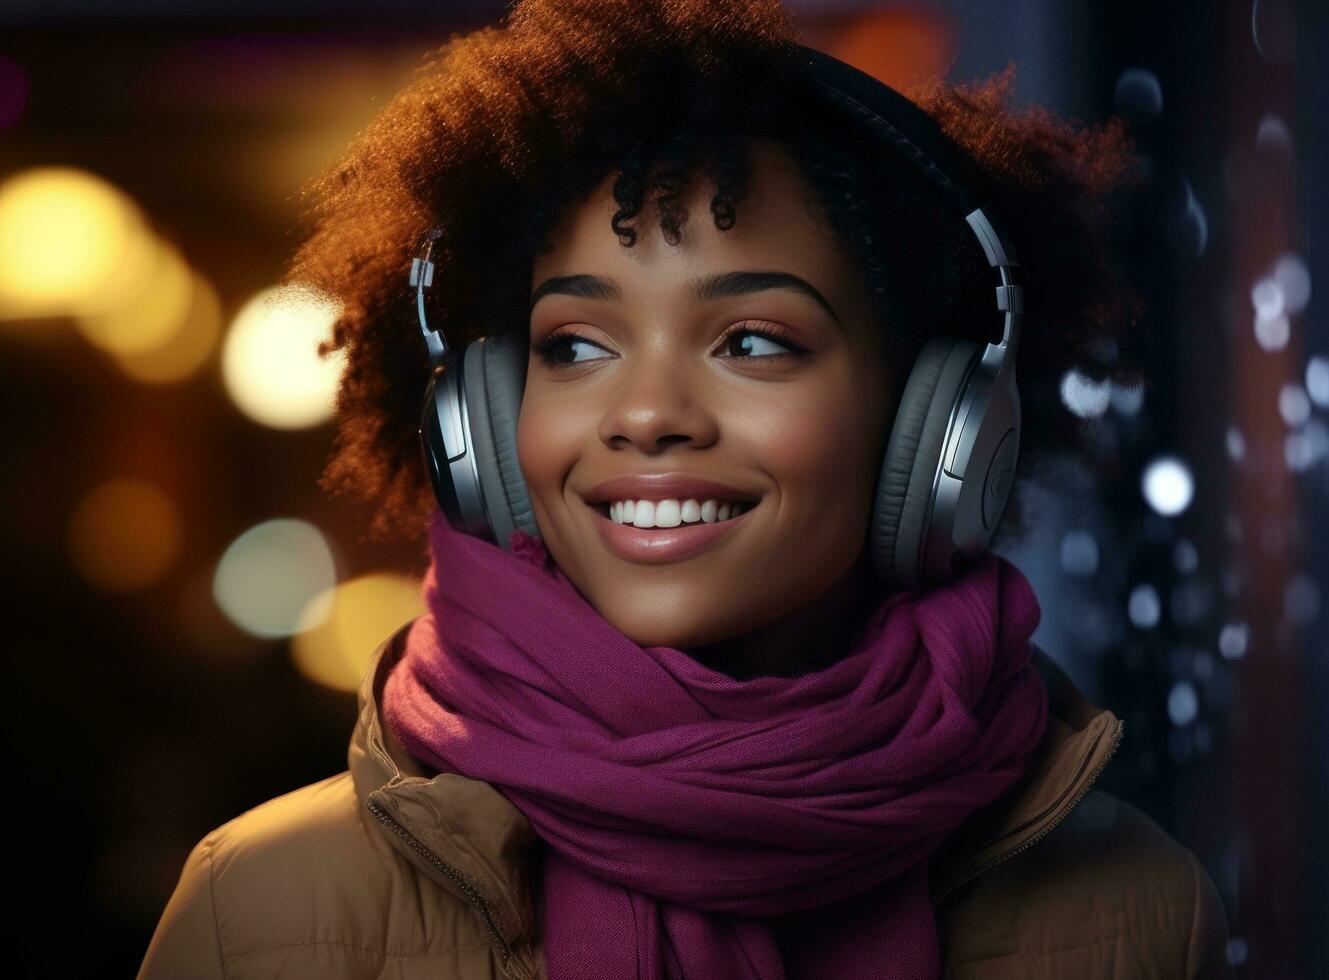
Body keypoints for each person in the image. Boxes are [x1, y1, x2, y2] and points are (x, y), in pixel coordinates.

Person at [138, 1, 1234, 977]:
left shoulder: (1133, 911)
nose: (649, 411)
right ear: (479, 420)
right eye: (574, 344)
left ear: (933, 424)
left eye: (752, 339)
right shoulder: (263, 916)